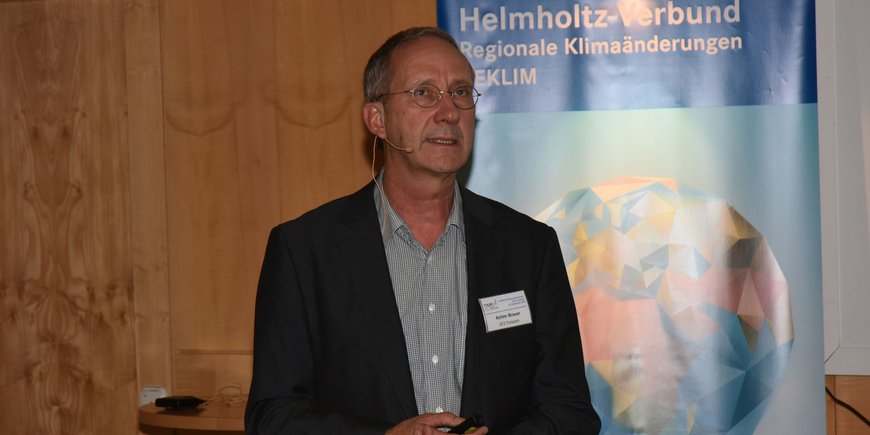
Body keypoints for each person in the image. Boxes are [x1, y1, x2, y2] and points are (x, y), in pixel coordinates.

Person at [245, 26, 601, 434]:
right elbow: (272, 415)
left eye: (461, 92)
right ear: (377, 119)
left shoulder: (528, 248)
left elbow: (570, 410)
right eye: (423, 93)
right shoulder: (306, 251)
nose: (449, 111)